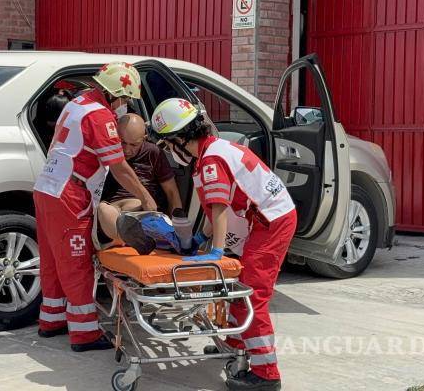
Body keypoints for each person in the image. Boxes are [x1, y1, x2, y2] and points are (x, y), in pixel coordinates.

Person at [150, 98, 297, 391]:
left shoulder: (210, 160)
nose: (168, 153)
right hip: (264, 218)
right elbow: (215, 208)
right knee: (238, 285)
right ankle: (233, 341)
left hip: (271, 222)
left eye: (166, 145)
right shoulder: (212, 152)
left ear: (179, 139)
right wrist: (202, 239)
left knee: (251, 294)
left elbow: (219, 209)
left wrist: (216, 252)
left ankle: (266, 374)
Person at [33, 62, 157, 352]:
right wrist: (146, 197)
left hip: (47, 186)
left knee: (53, 260)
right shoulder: (100, 116)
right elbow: (118, 166)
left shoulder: (78, 103)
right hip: (69, 193)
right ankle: (85, 333)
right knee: (76, 264)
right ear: (114, 93)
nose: (125, 104)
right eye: (124, 98)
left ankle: (51, 319)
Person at [96, 113, 183, 245]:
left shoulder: (153, 153)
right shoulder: (108, 150)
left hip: (140, 210)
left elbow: (172, 192)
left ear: (144, 139)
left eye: (134, 145)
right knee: (103, 209)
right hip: (112, 212)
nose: (127, 150)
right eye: (122, 142)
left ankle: (123, 240)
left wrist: (178, 229)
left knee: (132, 212)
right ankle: (125, 241)